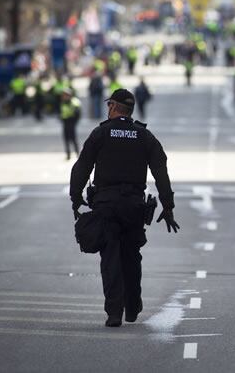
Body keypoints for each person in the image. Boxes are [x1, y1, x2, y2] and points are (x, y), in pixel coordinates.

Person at [69, 89, 180, 328]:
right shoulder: (144, 136)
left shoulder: (101, 133)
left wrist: (75, 196)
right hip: (133, 207)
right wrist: (168, 206)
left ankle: (114, 313)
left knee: (110, 259)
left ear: (112, 107)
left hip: (106, 206)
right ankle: (132, 306)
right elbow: (161, 171)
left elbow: (82, 167)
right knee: (131, 256)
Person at [60, 89, 82, 160]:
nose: (64, 97)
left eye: (66, 95)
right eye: (64, 95)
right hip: (65, 122)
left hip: (71, 122)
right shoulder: (63, 102)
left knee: (73, 139)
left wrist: (74, 121)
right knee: (66, 139)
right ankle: (68, 154)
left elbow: (78, 114)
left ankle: (77, 153)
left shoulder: (74, 102)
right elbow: (61, 112)